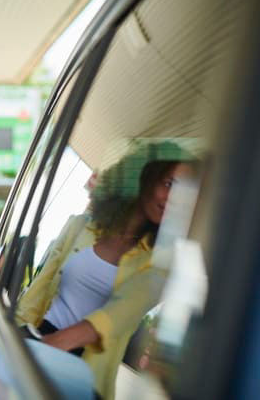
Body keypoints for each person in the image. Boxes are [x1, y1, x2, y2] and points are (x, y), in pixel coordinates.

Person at [16, 141, 195, 400]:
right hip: (37, 337)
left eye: (186, 194)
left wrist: (52, 346)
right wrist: (9, 342)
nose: (174, 200)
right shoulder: (80, 227)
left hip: (83, 372)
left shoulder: (164, 262)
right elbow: (36, 293)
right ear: (144, 177)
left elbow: (119, 313)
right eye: (169, 184)